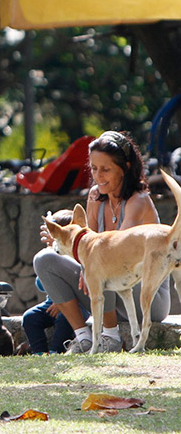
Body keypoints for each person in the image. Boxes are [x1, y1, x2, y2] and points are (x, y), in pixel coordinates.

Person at [34, 131, 171, 354]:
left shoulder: (139, 200)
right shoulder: (95, 196)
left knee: (100, 263)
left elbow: (116, 252)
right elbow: (86, 249)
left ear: (125, 168)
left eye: (106, 169)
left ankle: (110, 338)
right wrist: (59, 241)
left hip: (146, 297)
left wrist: (84, 262)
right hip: (111, 289)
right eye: (94, 169)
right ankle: (83, 337)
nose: (98, 176)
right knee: (44, 260)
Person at [23, 209, 90, 355]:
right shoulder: (50, 255)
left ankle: (56, 350)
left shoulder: (72, 257)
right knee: (30, 318)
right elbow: (40, 285)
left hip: (74, 306)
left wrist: (61, 304)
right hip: (50, 304)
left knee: (64, 320)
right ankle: (39, 352)